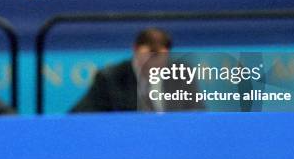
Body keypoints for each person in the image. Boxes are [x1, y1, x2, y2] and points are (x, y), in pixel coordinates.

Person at [70, 27, 201, 112]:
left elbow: (197, 114)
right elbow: (80, 115)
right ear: (135, 49)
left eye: (159, 55)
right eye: (150, 53)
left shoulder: (182, 75)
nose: (153, 61)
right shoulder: (110, 78)